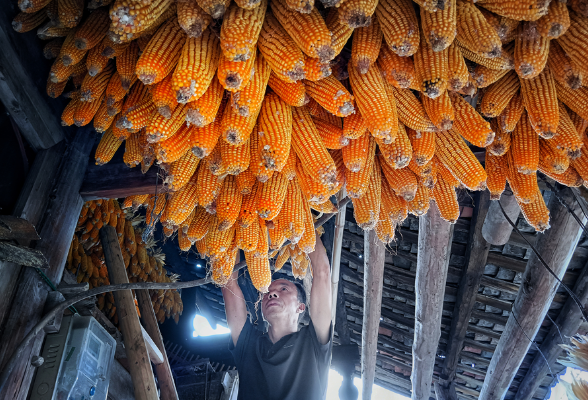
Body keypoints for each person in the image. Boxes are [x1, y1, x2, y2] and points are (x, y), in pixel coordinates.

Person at [221, 233, 332, 400]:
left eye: (283, 289)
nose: (271, 293)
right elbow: (228, 283)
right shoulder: (249, 346)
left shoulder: (314, 342)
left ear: (301, 307)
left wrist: (303, 223)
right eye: (267, 292)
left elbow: (322, 271)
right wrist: (235, 227)